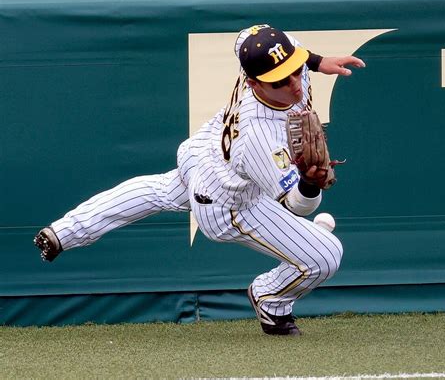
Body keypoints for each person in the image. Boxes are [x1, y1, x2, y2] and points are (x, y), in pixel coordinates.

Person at [34, 24, 365, 336]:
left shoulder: (259, 52)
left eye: (296, 68)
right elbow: (298, 205)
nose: (294, 82)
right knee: (324, 256)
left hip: (201, 152)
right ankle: (270, 299)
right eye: (280, 80)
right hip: (228, 203)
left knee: (157, 191)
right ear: (254, 83)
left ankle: (64, 232)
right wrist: (311, 181)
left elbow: (252, 36)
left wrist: (318, 61)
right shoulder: (260, 138)